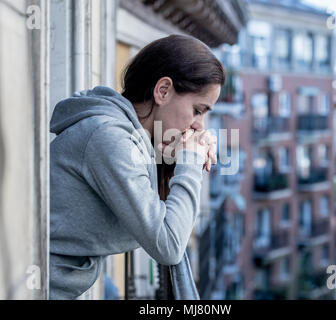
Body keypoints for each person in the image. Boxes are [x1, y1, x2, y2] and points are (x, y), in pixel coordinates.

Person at [49, 34, 225, 300]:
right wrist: (190, 163)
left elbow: (157, 219)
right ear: (163, 90)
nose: (200, 125)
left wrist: (180, 158)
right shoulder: (108, 136)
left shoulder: (135, 141)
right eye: (198, 110)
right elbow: (168, 244)